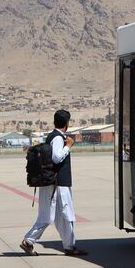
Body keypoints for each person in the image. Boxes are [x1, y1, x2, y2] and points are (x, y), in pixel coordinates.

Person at [20, 109, 87, 257]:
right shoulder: (57, 138)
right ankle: (29, 240)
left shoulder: (52, 136)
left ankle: (70, 246)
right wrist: (68, 146)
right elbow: (57, 157)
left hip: (55, 183)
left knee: (63, 216)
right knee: (49, 216)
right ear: (67, 123)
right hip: (58, 184)